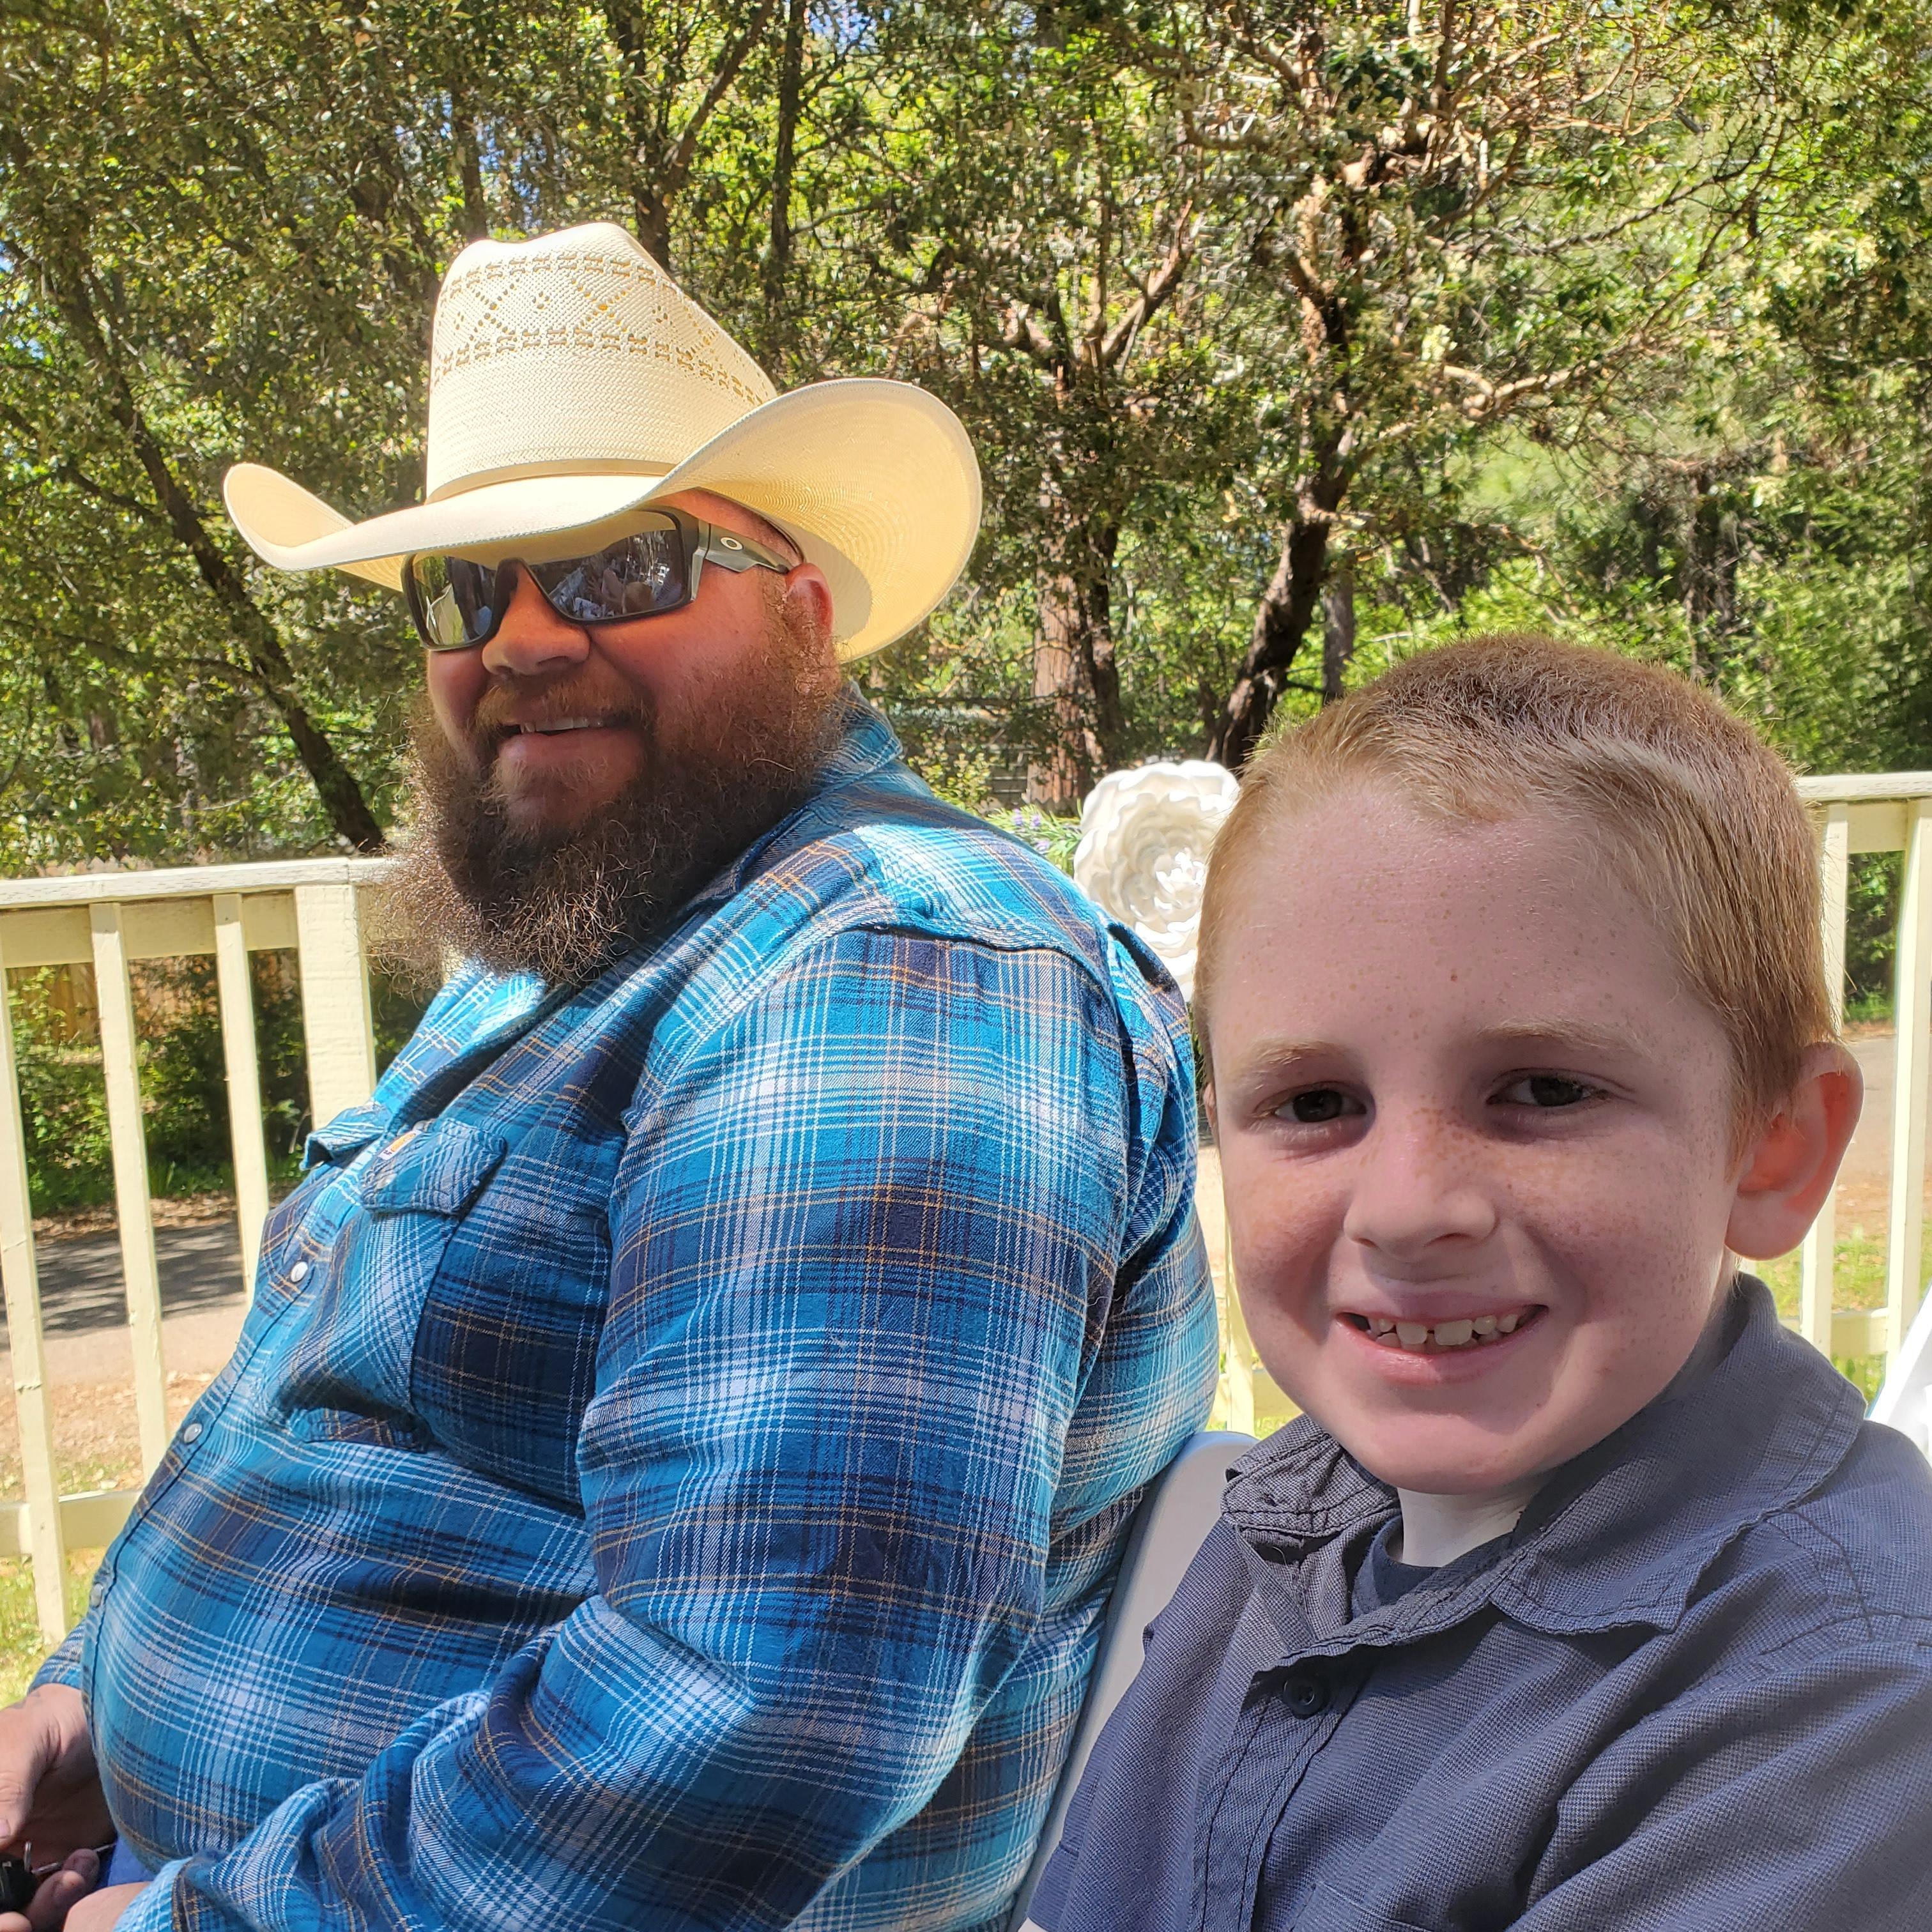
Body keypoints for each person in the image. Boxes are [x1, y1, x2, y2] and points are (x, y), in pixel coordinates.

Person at [0, 222, 1219, 1932]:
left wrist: (198, 1923)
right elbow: (311, 1407)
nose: (519, 638)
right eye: (465, 587)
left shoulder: (888, 965)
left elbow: (756, 1708)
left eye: (614, 567)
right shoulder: (578, 940)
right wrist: (85, 1700)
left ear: (804, 614)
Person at [1025, 635, 1932, 1932]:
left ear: (1773, 1146)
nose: (1407, 1209)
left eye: (1545, 1090)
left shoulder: (1836, 1705)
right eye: (1315, 1103)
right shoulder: (1289, 1510)